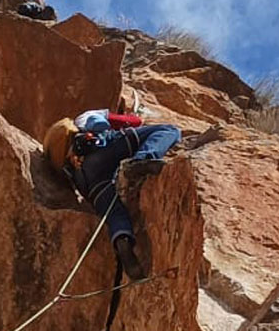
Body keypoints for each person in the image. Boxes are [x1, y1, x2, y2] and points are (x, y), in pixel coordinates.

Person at [44, 109, 180, 280]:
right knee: (169, 130)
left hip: (86, 180)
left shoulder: (58, 154)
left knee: (114, 212)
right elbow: (132, 122)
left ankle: (122, 239)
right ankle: (141, 160)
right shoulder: (83, 118)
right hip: (102, 152)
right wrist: (130, 117)